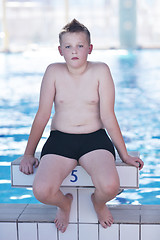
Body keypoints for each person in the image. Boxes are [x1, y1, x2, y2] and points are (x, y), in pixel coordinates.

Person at [19, 19, 144, 233]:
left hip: (94, 139)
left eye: (80, 46)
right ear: (60, 50)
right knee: (41, 190)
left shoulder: (101, 71)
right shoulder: (53, 72)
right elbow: (42, 115)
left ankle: (98, 202)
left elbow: (108, 116)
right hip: (61, 139)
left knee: (110, 186)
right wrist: (28, 154)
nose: (74, 51)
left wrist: (124, 155)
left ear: (90, 49)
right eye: (68, 46)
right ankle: (64, 204)